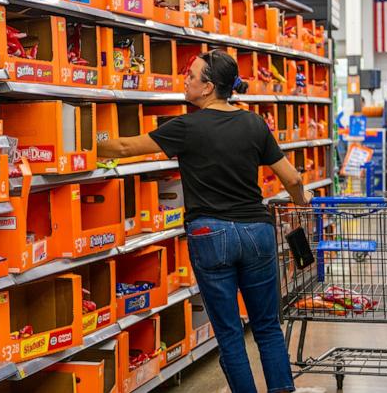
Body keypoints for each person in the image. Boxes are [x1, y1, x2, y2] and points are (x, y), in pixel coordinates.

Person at [98, 49, 311, 393]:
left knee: (229, 335)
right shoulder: (254, 122)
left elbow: (123, 147)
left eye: (191, 75)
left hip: (211, 234)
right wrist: (302, 201)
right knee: (268, 327)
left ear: (209, 87)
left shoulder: (185, 127)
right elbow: (293, 180)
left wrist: (81, 142)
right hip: (257, 232)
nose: (185, 80)